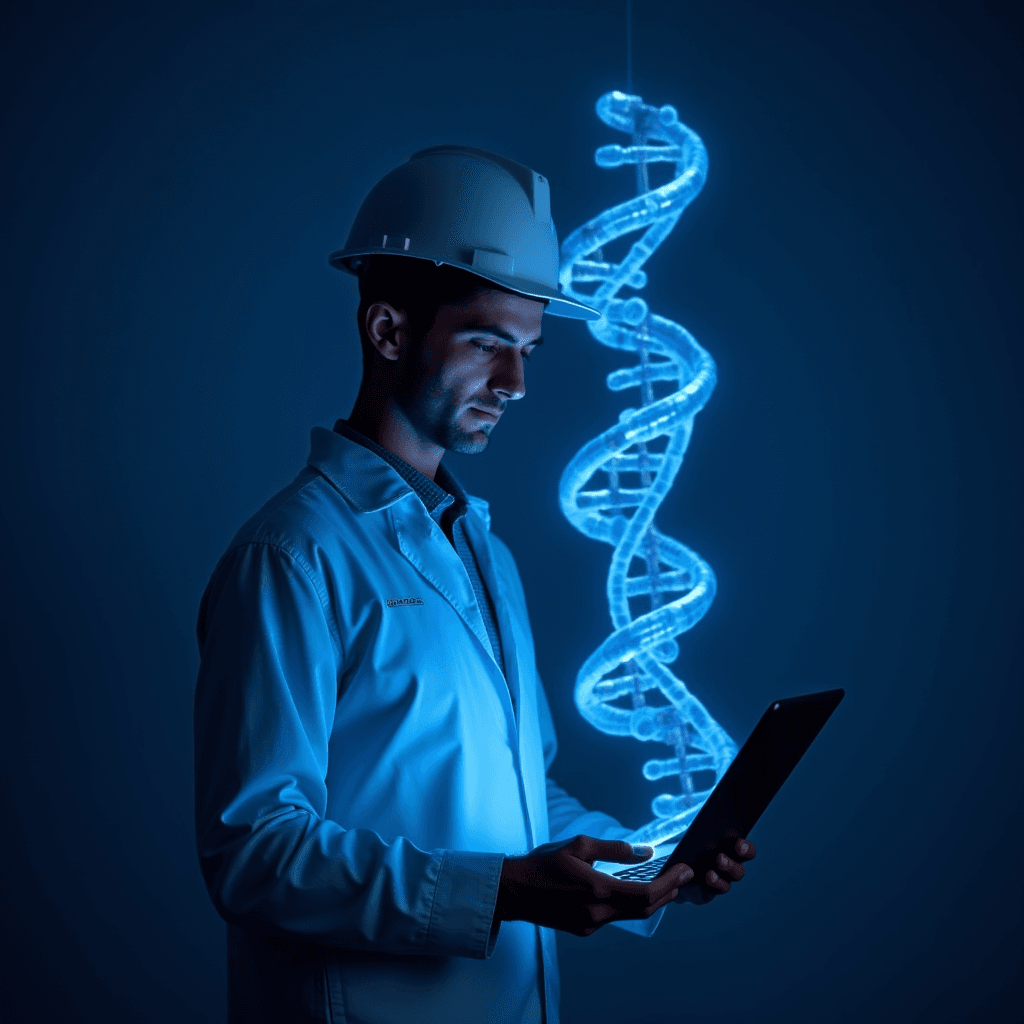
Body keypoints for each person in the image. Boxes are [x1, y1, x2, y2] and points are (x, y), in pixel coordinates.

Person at [193, 146, 755, 1024]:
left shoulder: (485, 554)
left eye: (528, 349)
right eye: (490, 343)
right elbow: (255, 853)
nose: (517, 383)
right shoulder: (294, 556)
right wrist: (502, 894)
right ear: (386, 332)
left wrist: (654, 866)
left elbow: (521, 793)